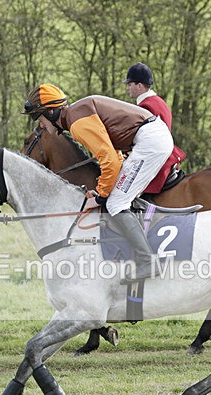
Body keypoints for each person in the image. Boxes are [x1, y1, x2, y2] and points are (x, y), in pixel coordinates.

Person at [22, 83, 173, 283]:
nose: (41, 126)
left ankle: (147, 261)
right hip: (150, 138)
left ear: (50, 112)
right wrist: (104, 190)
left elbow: (109, 159)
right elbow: (114, 155)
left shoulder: (77, 123)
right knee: (117, 197)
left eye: (39, 119)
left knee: (115, 203)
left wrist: (101, 194)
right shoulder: (76, 115)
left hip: (150, 142)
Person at [123, 62, 187, 193]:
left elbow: (137, 139)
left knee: (124, 190)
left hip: (155, 159)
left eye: (130, 84)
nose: (127, 88)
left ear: (139, 85)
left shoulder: (145, 107)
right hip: (167, 154)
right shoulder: (159, 101)